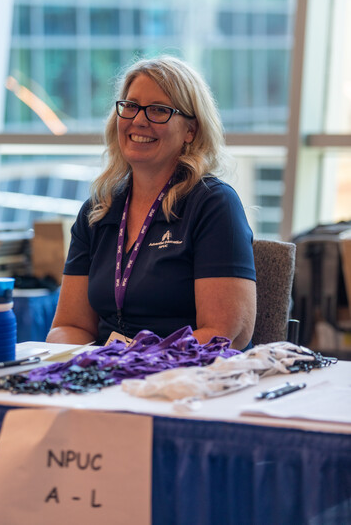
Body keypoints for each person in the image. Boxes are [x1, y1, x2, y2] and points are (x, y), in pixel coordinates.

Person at [47, 55, 256, 350]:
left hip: (184, 382)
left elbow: (223, 333)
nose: (138, 120)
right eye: (130, 106)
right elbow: (70, 326)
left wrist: (135, 360)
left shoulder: (213, 204)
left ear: (190, 130)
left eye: (158, 110)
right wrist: (84, 363)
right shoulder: (99, 209)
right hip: (109, 378)